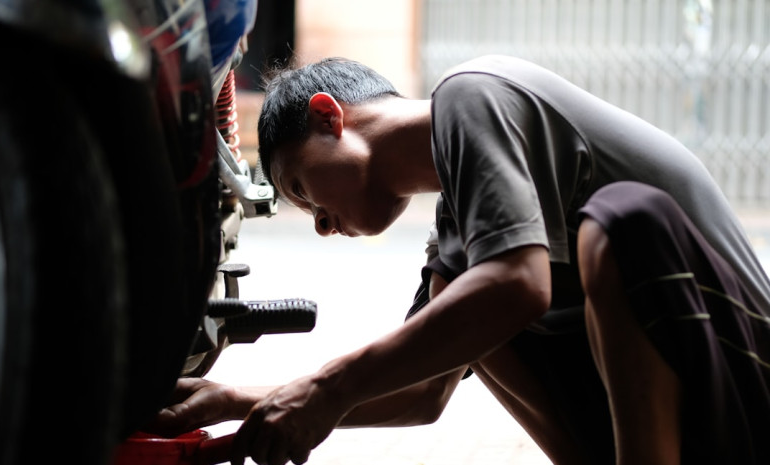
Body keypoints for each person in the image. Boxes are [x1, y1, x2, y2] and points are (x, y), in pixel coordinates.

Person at [148, 55, 770, 465]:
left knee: (623, 221)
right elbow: (423, 392)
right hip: (687, 426)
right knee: (464, 319)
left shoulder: (473, 93)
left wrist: (327, 386)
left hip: (745, 387)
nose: (320, 225)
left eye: (302, 190)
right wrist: (235, 401)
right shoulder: (461, 223)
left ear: (328, 115)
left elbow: (518, 286)